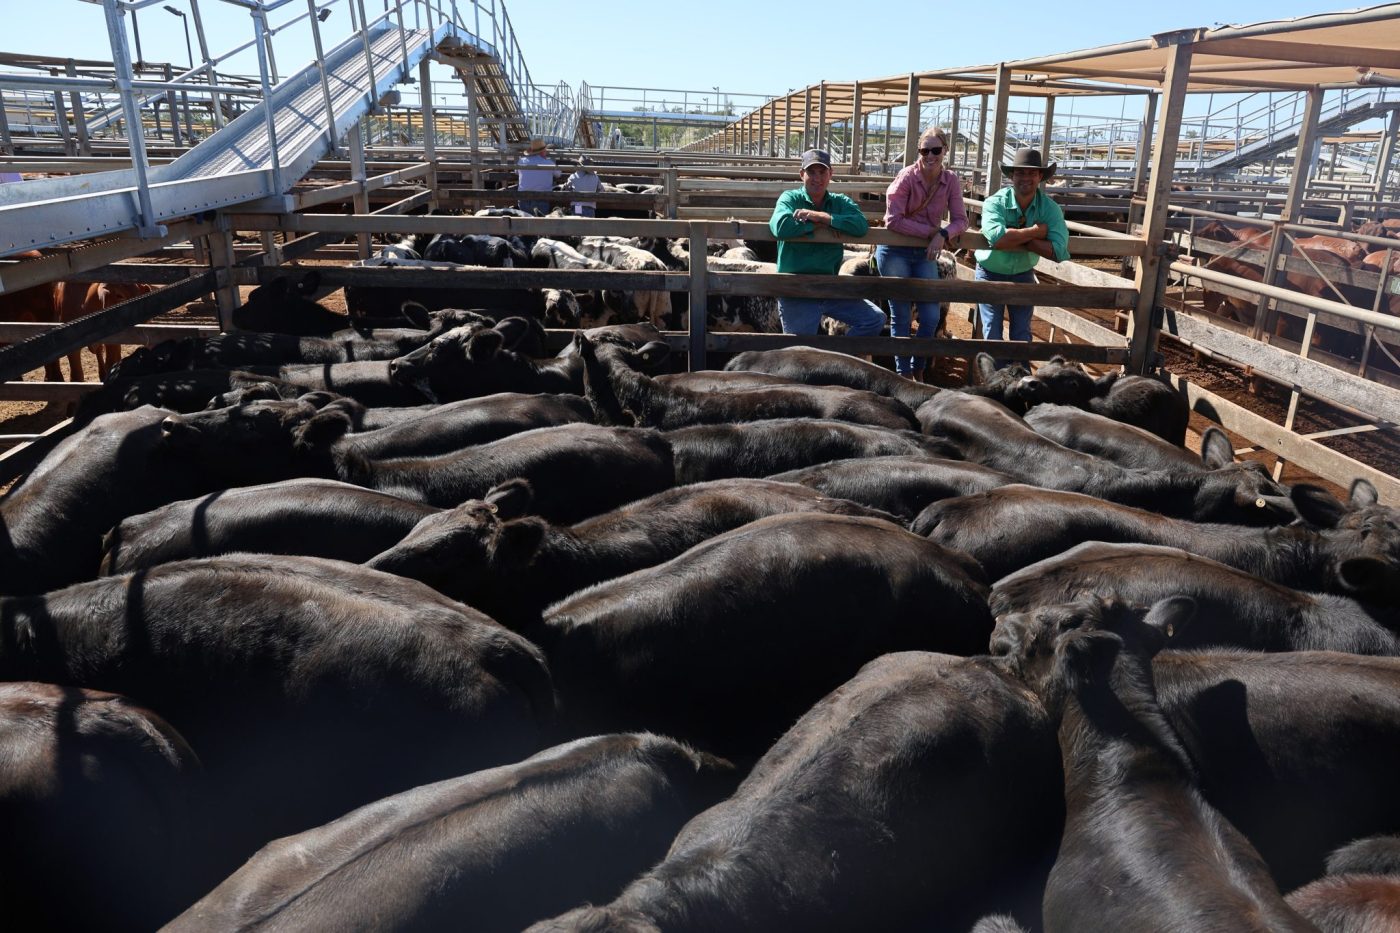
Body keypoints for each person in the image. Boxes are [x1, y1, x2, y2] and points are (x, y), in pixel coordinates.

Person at [877, 127, 969, 379]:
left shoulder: (950, 180)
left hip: (923, 253)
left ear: (945, 150)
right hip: (895, 251)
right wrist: (931, 232)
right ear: (919, 152)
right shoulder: (906, 177)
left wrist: (942, 234)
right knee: (901, 315)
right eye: (924, 150)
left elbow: (962, 220)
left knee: (930, 315)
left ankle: (919, 369)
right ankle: (903, 374)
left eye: (936, 150)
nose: (930, 155)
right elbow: (892, 221)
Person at [769, 149, 886, 337]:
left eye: (822, 172)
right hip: (797, 287)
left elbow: (861, 225)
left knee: (874, 319)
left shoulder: (840, 202)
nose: (817, 178)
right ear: (801, 175)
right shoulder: (790, 198)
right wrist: (820, 224)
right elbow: (780, 226)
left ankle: (839, 363)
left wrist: (823, 217)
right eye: (811, 172)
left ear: (830, 174)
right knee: (800, 351)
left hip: (830, 285)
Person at [973, 147, 1070, 350]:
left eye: (1032, 173)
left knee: (1022, 333)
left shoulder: (1049, 208)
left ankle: (1021, 379)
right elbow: (997, 239)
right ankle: (996, 381)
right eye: (1020, 172)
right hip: (990, 272)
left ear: (1040, 176)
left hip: (1023, 272)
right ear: (1012, 176)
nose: (1026, 178)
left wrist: (1017, 237)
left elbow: (1060, 251)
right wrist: (1035, 231)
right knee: (992, 332)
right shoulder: (995, 202)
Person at [516, 138, 558, 216]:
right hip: (542, 199)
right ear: (543, 152)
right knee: (541, 223)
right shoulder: (548, 163)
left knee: (525, 224)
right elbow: (558, 174)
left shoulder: (522, 161)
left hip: (523, 199)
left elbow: (516, 172)